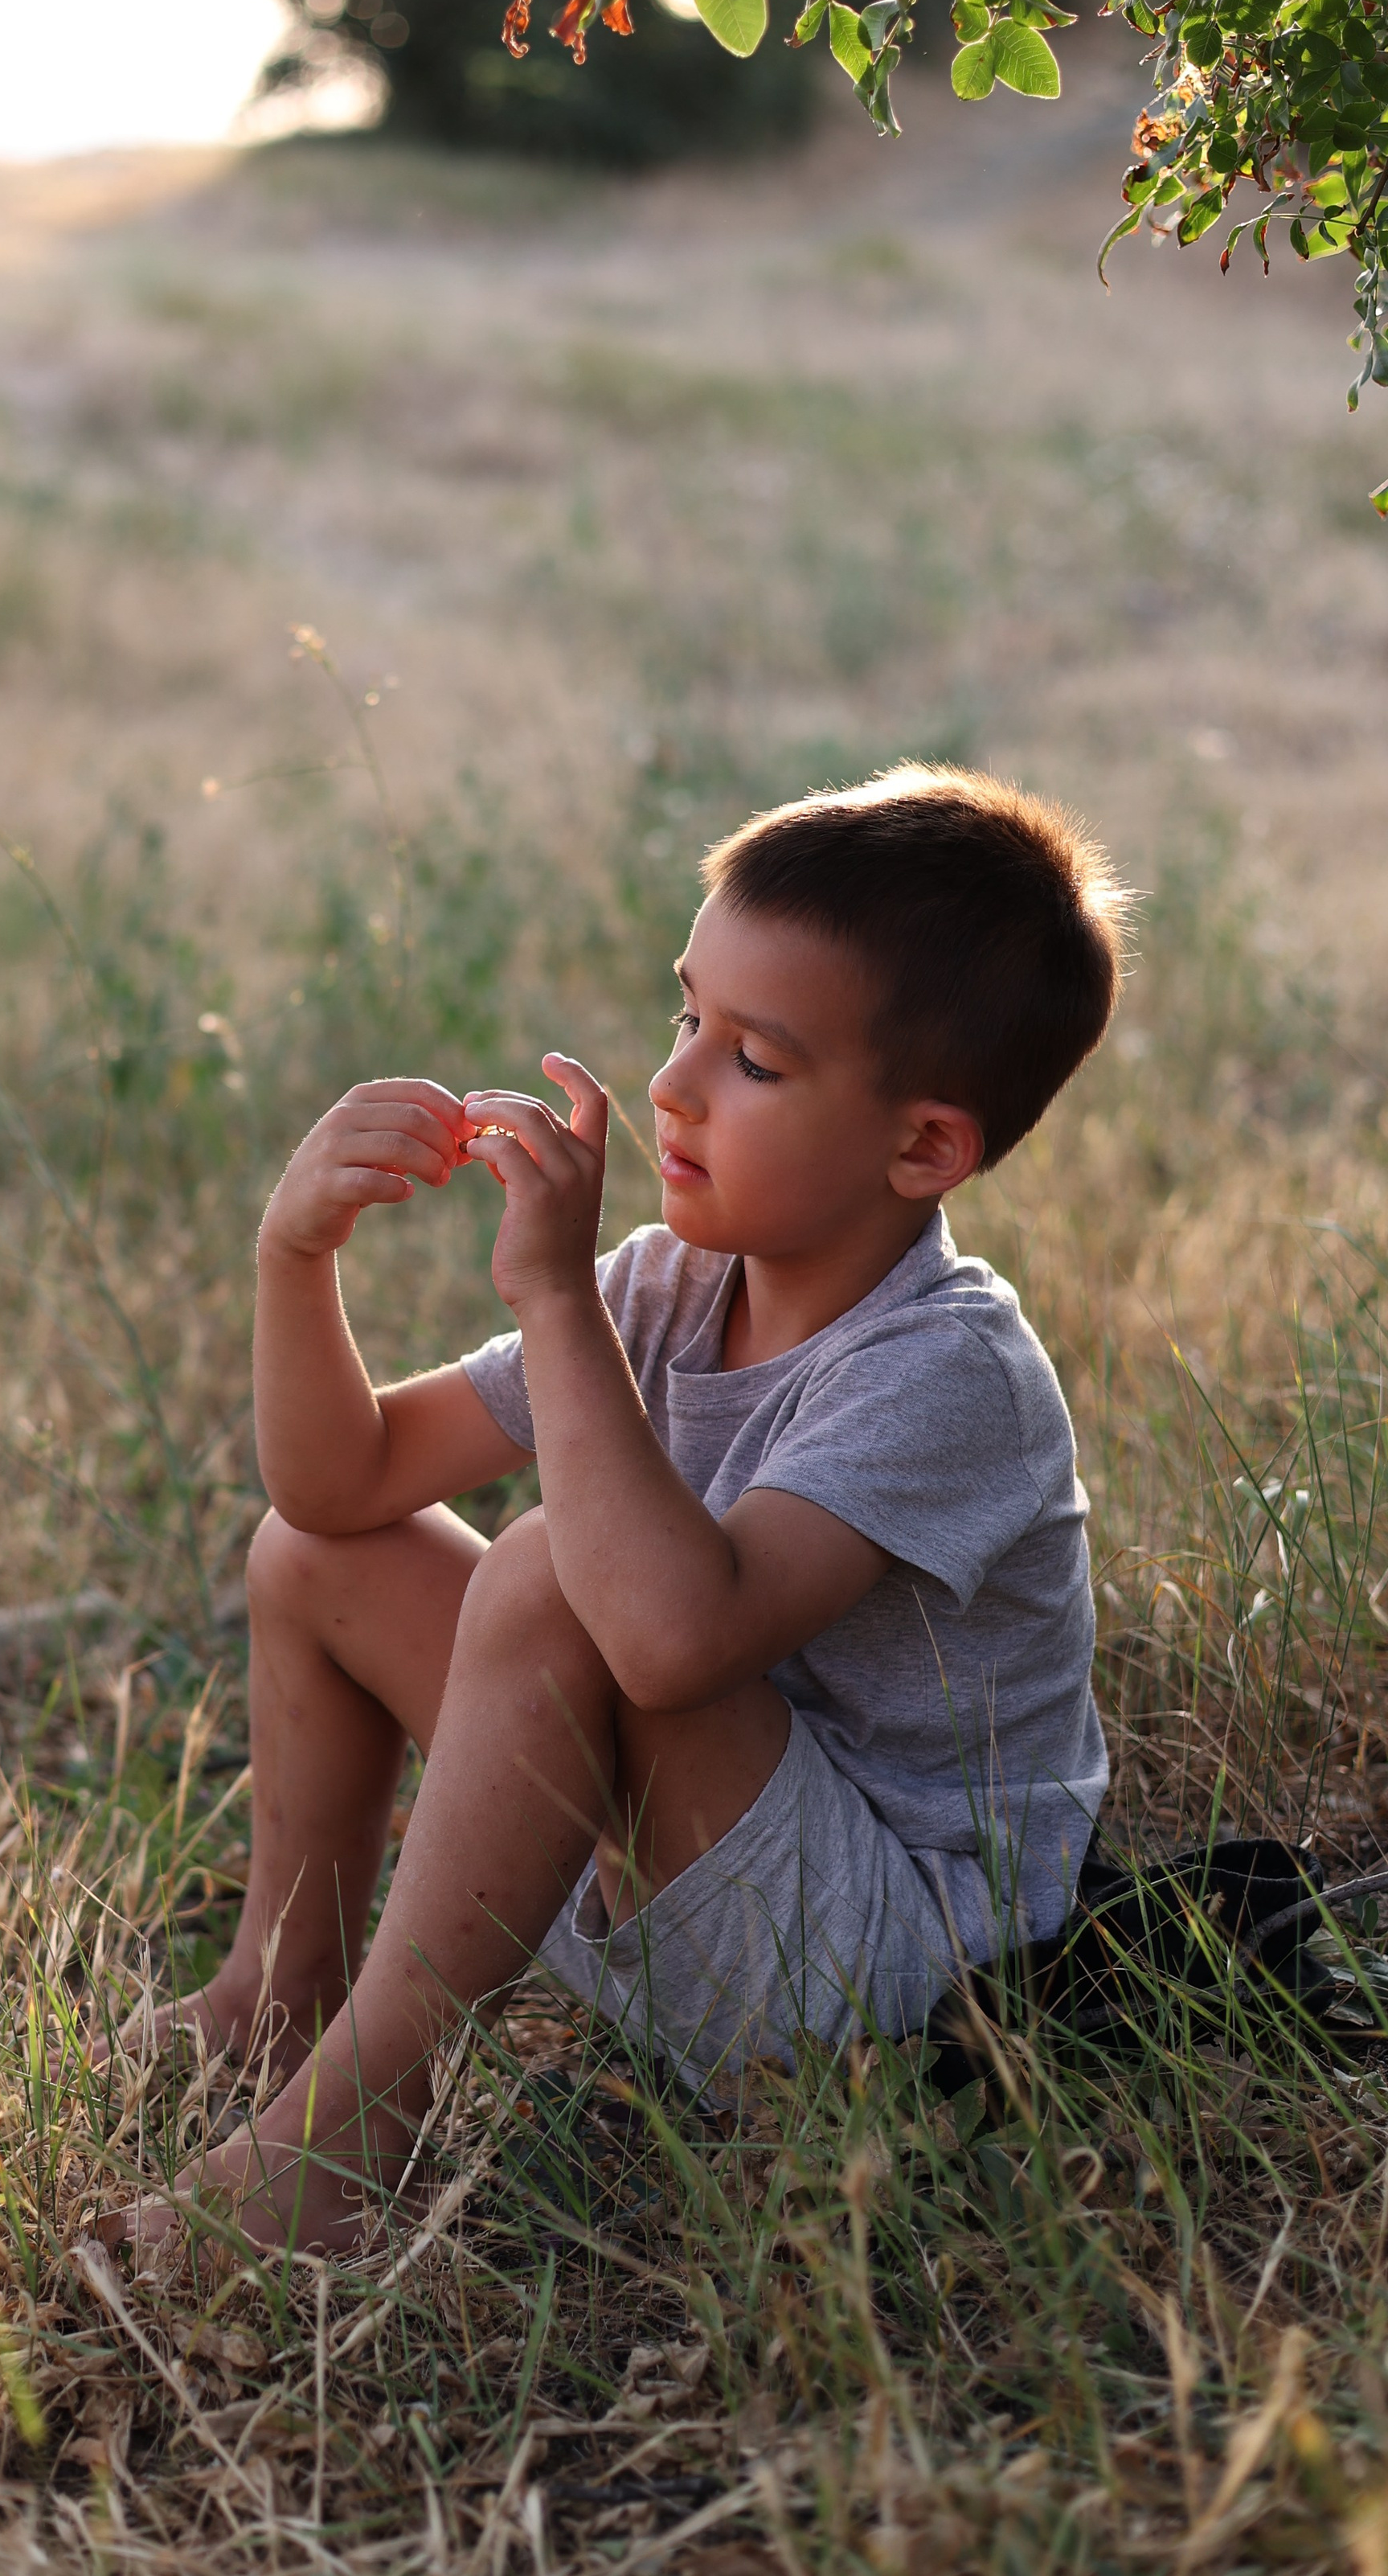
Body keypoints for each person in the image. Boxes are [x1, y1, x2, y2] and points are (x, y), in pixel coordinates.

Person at [111, 762, 1128, 2260]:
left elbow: (667, 1640)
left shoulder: (950, 1372)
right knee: (317, 1556)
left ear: (923, 1147)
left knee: (547, 1576)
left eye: (756, 1062)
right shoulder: (668, 1285)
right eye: (684, 1018)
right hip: (666, 1878)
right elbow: (336, 1485)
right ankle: (279, 1987)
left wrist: (546, 1296)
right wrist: (294, 1255)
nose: (673, 1086)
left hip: (883, 1978)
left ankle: (350, 2131)